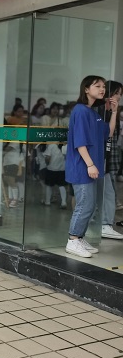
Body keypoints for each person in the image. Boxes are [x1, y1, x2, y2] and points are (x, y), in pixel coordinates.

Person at [64, 75, 117, 258]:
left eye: (103, 86)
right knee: (84, 205)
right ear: (86, 89)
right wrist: (90, 164)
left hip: (90, 167)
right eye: (97, 86)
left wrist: (114, 112)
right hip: (83, 166)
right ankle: (72, 240)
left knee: (90, 205)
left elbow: (109, 133)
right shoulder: (80, 111)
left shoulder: (93, 113)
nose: (102, 89)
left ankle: (79, 238)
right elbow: (80, 142)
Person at [95, 80, 123, 240]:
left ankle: (104, 223)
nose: (119, 97)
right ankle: (104, 224)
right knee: (106, 192)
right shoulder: (100, 111)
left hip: (109, 157)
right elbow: (107, 134)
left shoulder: (112, 111)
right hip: (100, 157)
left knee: (107, 191)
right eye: (117, 93)